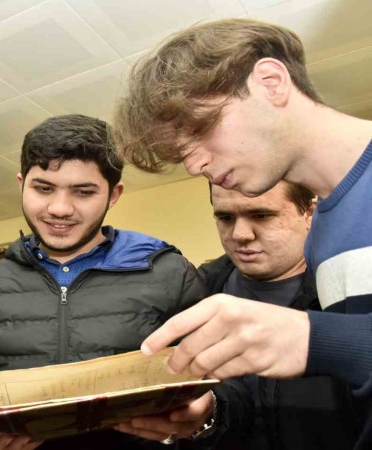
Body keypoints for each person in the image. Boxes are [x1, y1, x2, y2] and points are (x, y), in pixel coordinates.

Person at [113, 18, 372, 449]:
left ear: (271, 82)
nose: (194, 166)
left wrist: (313, 339)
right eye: (181, 153)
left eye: (200, 130)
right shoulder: (324, 235)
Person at [0, 114, 207, 449]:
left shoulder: (170, 274)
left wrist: (201, 417)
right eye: (43, 188)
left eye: (83, 192)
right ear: (21, 184)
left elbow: (213, 389)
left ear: (113, 194)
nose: (60, 208)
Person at [120, 181, 361, 448]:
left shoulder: (353, 294)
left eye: (261, 215)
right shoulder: (189, 297)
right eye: (226, 217)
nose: (240, 234)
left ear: (310, 214)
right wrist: (203, 418)